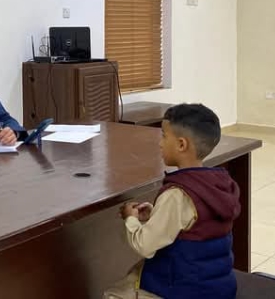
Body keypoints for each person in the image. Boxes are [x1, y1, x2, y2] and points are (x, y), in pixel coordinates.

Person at [103, 103, 241, 299]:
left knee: (112, 293)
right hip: (218, 288)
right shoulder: (219, 183)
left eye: (164, 136)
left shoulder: (178, 193)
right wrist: (156, 213)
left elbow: (145, 245)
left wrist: (130, 218)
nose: (160, 143)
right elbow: (197, 224)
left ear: (182, 145)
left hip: (184, 291)